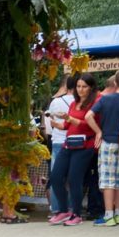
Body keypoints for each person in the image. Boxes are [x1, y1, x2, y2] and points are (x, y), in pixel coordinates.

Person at [88, 69, 119, 225]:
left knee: (108, 180)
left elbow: (88, 116)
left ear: (115, 82)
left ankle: (108, 214)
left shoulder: (105, 99)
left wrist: (98, 131)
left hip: (107, 143)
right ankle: (118, 212)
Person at [48, 73, 100, 226]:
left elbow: (89, 125)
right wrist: (57, 124)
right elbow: (67, 125)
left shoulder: (95, 103)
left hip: (85, 145)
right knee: (56, 177)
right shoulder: (73, 103)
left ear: (91, 88)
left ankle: (76, 214)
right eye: (78, 86)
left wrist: (70, 119)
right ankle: (63, 211)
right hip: (68, 143)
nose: (81, 89)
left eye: (84, 86)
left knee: (74, 179)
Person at [43, 75, 76, 219]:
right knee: (73, 178)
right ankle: (73, 209)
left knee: (56, 177)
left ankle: (57, 209)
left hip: (57, 141)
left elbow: (49, 126)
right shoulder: (80, 102)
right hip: (75, 141)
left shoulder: (55, 102)